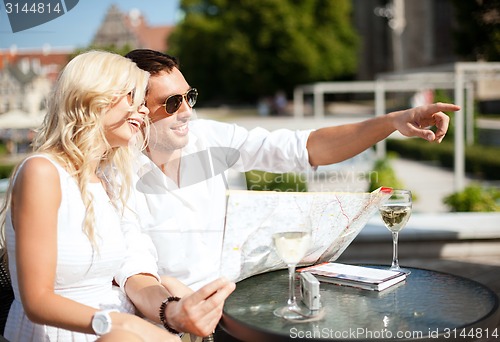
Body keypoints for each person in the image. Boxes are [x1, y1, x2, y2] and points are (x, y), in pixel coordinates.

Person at [0, 50, 229, 342]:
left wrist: (173, 307)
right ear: (94, 100)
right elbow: (37, 302)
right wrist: (121, 326)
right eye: (132, 98)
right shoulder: (42, 172)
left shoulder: (105, 180)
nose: (144, 110)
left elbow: (133, 266)